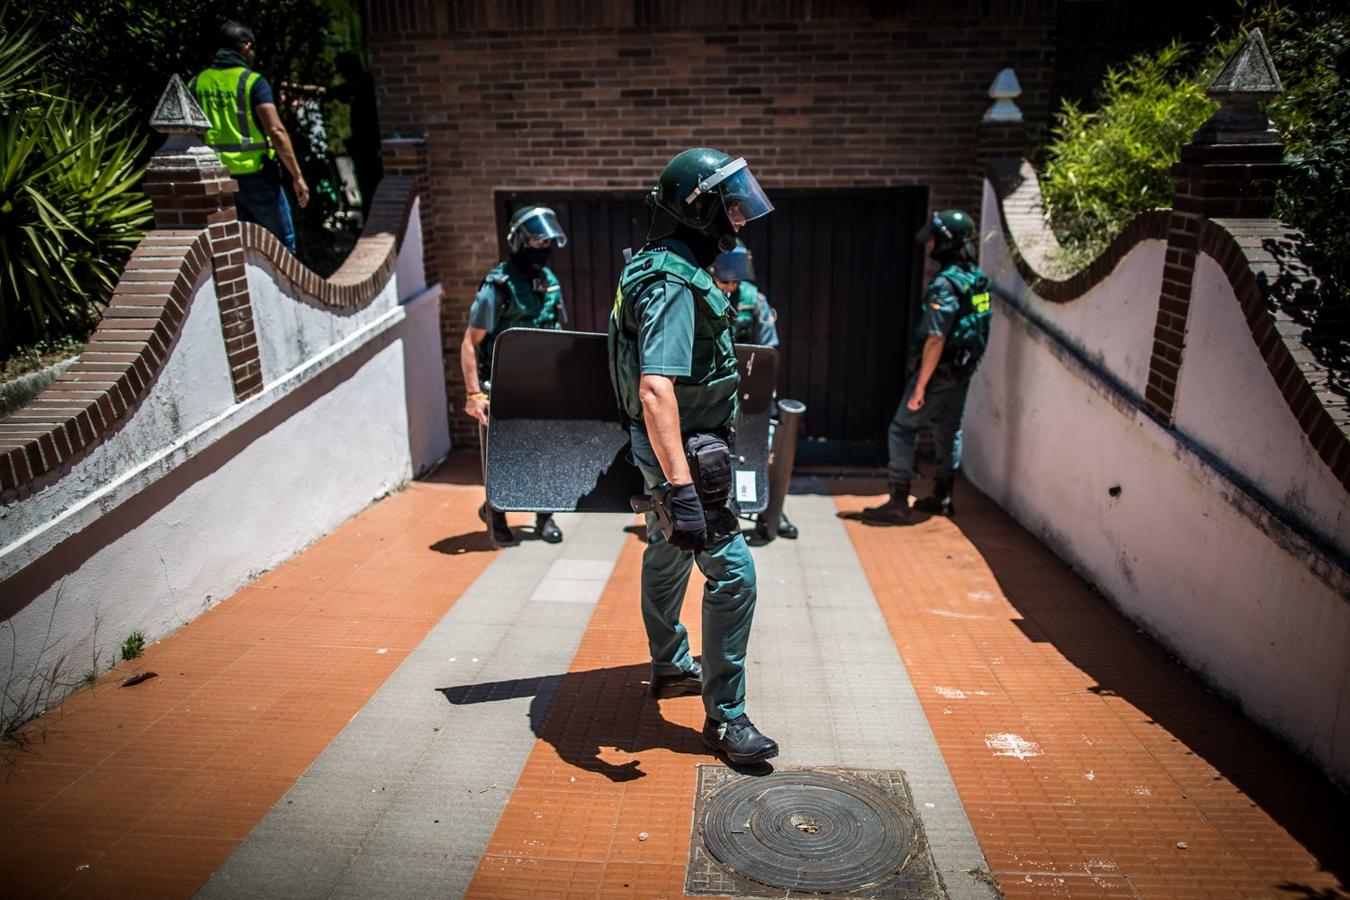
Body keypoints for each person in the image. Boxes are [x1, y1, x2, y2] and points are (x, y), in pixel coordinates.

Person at [609, 148, 780, 765]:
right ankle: (726, 720)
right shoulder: (674, 281)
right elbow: (657, 387)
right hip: (684, 454)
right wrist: (682, 489)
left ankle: (670, 665)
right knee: (733, 575)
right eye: (729, 210)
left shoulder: (659, 265)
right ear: (698, 208)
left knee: (664, 549)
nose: (737, 222)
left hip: (672, 448)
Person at [863, 209, 992, 525]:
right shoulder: (974, 278)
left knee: (902, 427)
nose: (931, 243)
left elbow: (936, 338)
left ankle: (897, 501)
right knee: (949, 427)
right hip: (963, 370)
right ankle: (943, 496)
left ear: (946, 240)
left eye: (935, 238)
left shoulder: (946, 284)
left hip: (940, 371)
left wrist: (920, 386)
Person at [461, 205, 569, 546]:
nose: (542, 248)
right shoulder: (499, 285)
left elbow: (558, 334)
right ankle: (496, 514)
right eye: (536, 241)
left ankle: (544, 517)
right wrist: (473, 394)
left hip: (543, 386)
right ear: (520, 241)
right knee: (503, 459)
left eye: (546, 242)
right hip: (502, 387)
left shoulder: (550, 282)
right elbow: (469, 342)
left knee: (546, 456)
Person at [191, 21, 310, 254]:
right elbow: (276, 130)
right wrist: (297, 176)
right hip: (256, 177)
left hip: (217, 180)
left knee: (237, 248)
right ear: (245, 46)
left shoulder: (197, 83)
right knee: (281, 246)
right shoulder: (252, 81)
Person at [712, 241, 797, 541]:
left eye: (736, 281)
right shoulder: (699, 298)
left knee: (768, 448)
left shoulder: (754, 300)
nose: (732, 287)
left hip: (749, 390)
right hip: (712, 393)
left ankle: (771, 511)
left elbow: (769, 349)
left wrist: (762, 393)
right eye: (725, 281)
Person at [329, 52, 383, 212]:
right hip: (364, 149)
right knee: (368, 190)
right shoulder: (362, 85)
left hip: (370, 150)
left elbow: (339, 92)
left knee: (371, 189)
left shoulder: (363, 85)